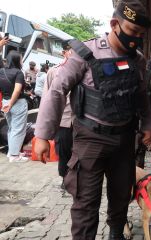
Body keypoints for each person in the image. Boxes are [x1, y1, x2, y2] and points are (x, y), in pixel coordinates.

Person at [34, 1, 151, 239]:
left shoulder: (138, 60)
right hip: (90, 140)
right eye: (132, 31)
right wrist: (42, 136)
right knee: (86, 204)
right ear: (114, 24)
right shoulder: (85, 54)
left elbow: (142, 95)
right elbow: (57, 91)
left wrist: (147, 125)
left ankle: (116, 235)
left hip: (124, 141)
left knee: (121, 198)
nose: (136, 38)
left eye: (141, 34)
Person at [42, 40, 73, 187]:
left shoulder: (86, 70)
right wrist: (43, 132)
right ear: (64, 53)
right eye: (70, 51)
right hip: (63, 121)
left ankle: (77, 178)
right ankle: (65, 178)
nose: (74, 55)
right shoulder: (53, 72)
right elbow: (46, 101)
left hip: (82, 122)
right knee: (63, 152)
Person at [0, 50, 28, 163]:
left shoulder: (1, 71)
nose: (22, 61)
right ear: (17, 60)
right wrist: (11, 104)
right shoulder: (18, 73)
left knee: (12, 128)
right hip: (17, 103)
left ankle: (11, 152)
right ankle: (15, 156)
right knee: (18, 129)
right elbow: (17, 90)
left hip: (5, 102)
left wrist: (6, 103)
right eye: (21, 59)